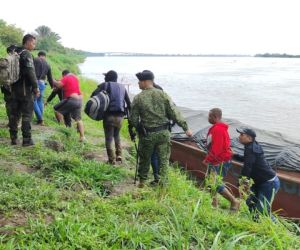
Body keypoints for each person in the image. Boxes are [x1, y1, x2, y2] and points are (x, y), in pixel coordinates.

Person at [129, 70, 192, 187]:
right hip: (164, 133)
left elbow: (133, 119)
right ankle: (163, 187)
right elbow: (174, 112)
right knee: (163, 161)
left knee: (144, 160)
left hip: (147, 135)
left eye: (139, 81)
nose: (138, 84)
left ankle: (141, 185)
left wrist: (138, 130)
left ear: (146, 81)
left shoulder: (138, 98)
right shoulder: (163, 94)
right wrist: (186, 128)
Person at [236, 127, 280, 221]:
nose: (239, 136)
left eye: (241, 135)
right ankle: (255, 222)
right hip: (260, 182)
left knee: (263, 211)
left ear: (249, 138)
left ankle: (275, 227)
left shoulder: (251, 149)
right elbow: (250, 160)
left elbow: (247, 167)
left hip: (268, 183)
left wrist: (242, 181)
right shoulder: (252, 146)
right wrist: (235, 156)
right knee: (250, 201)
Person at [202, 108, 240, 211]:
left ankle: (234, 201)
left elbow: (217, 148)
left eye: (209, 116)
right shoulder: (217, 128)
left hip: (219, 161)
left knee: (216, 183)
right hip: (217, 160)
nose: (208, 118)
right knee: (211, 182)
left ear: (215, 117)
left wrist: (208, 159)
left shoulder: (218, 129)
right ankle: (214, 203)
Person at [91, 70, 131, 164]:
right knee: (117, 135)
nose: (104, 78)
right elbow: (129, 103)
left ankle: (111, 160)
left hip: (109, 116)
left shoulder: (104, 85)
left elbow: (93, 95)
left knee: (109, 138)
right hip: (120, 117)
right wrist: (130, 117)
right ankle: (119, 155)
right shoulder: (122, 87)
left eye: (105, 77)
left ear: (108, 78)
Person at [9, 34, 40, 146]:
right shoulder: (26, 54)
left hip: (13, 89)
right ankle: (27, 140)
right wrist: (36, 87)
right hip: (25, 90)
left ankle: (13, 138)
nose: (34, 45)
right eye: (33, 43)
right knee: (27, 115)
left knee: (14, 114)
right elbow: (30, 72)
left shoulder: (14, 52)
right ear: (27, 42)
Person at [52, 70, 85, 141]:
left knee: (57, 111)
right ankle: (82, 137)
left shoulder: (66, 77)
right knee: (78, 119)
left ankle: (63, 129)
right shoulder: (75, 78)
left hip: (71, 99)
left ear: (63, 75)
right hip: (79, 100)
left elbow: (59, 84)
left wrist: (52, 79)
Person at [33, 51, 54, 125]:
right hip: (42, 83)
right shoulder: (47, 64)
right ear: (45, 56)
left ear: (38, 55)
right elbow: (50, 77)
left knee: (33, 101)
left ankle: (40, 119)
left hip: (34, 82)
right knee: (39, 100)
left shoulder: (35, 60)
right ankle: (40, 119)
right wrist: (52, 86)